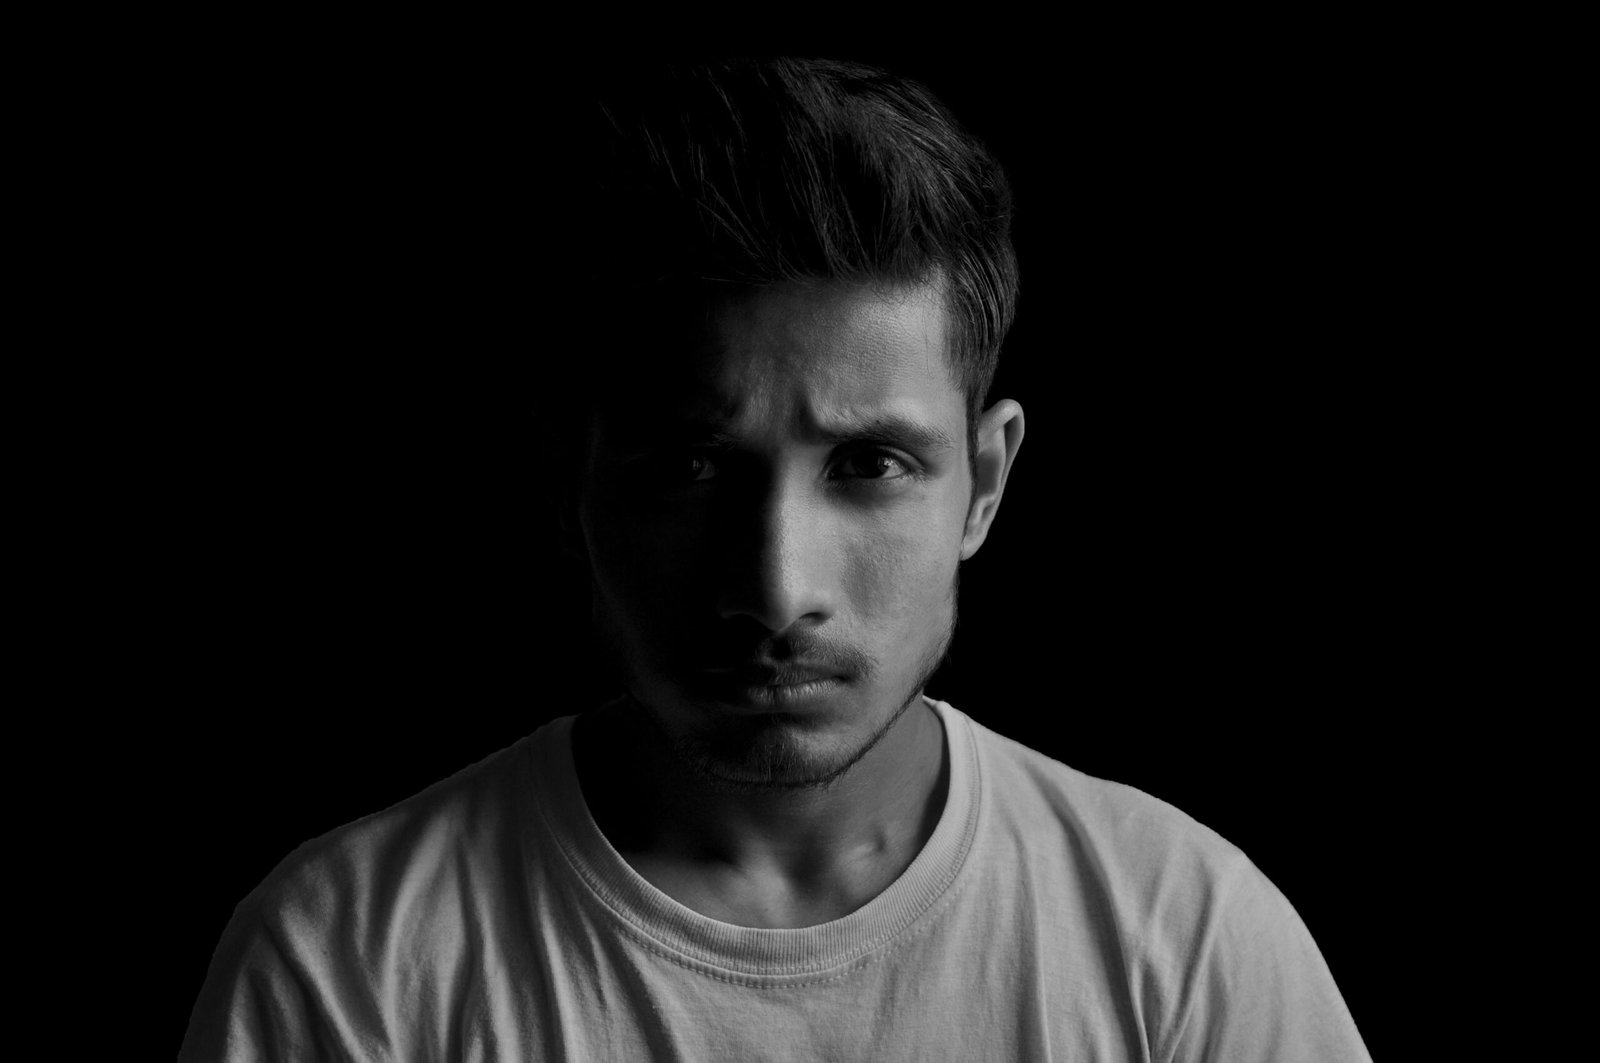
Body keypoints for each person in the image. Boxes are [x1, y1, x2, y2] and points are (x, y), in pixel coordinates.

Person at [180, 58, 1370, 1061]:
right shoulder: (349, 960)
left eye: (868, 466)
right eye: (690, 468)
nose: (772, 586)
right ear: (573, 484)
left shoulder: (1187, 941)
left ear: (985, 484)